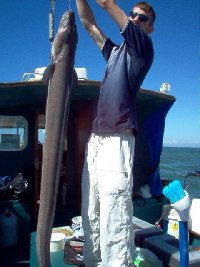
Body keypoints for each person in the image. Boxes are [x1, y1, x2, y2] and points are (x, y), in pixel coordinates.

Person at [75, 1, 156, 266]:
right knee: (92, 208)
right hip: (97, 139)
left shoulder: (143, 48)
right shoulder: (114, 53)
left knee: (115, 211)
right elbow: (88, 24)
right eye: (132, 14)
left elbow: (108, 4)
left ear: (149, 27)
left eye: (141, 18)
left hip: (118, 137)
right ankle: (92, 260)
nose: (134, 19)